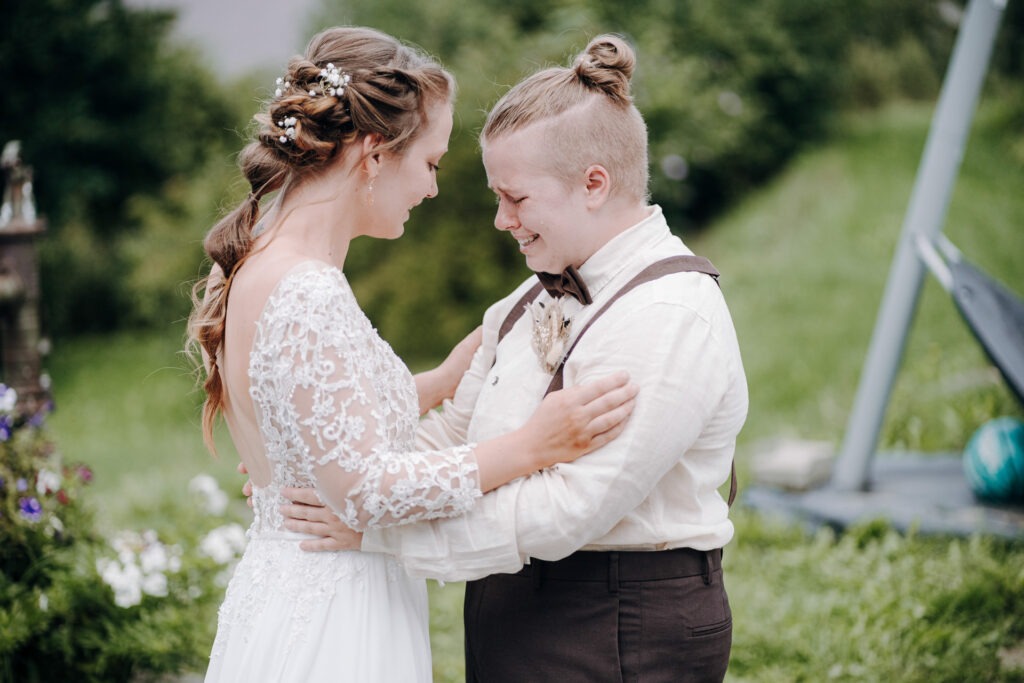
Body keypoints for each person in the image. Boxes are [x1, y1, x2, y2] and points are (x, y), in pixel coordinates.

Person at [280, 33, 749, 682]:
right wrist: (339, 474)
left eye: (517, 198)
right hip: (514, 607)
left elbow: (569, 508)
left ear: (594, 184)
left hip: (616, 623)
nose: (502, 220)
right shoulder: (523, 301)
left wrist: (376, 531)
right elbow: (453, 433)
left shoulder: (669, 315)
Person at [186, 26, 638, 683]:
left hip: (290, 586)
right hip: (336, 611)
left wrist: (444, 379)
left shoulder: (258, 260)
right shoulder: (308, 290)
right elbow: (365, 491)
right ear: (374, 154)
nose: (431, 189)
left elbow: (330, 414)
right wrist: (531, 446)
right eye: (431, 163)